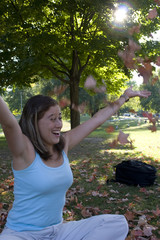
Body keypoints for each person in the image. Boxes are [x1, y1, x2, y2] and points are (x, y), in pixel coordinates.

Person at [0, 87, 151, 240]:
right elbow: (8, 124)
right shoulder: (24, 150)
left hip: (58, 232)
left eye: (59, 117)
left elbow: (96, 120)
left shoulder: (63, 144)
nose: (59, 124)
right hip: (22, 234)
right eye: (52, 119)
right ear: (34, 122)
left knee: (116, 223)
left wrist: (124, 96)